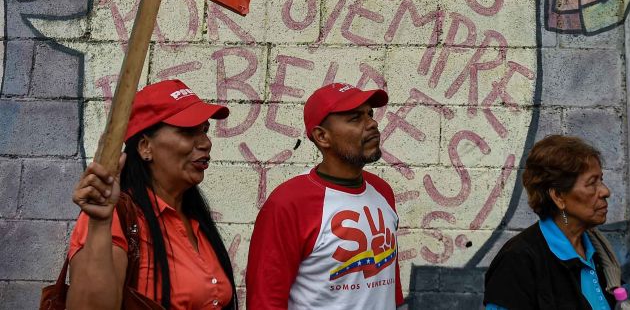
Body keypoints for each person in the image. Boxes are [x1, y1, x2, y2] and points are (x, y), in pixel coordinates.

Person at [67, 79, 237, 309]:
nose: (205, 143)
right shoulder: (113, 217)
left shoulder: (195, 219)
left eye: (205, 130)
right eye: (188, 131)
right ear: (145, 147)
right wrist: (99, 225)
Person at [246, 83, 403, 309]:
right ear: (322, 136)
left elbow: (388, 288)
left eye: (370, 114)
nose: (372, 124)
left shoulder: (382, 191)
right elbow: (265, 301)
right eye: (355, 118)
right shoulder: (288, 203)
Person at [483, 135, 623, 310]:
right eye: (591, 183)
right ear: (558, 196)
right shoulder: (519, 260)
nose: (605, 191)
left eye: (601, 180)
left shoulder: (598, 252)